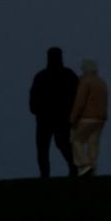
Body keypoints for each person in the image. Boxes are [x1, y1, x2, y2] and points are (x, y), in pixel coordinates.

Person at [29, 46, 79, 178]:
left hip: (59, 119)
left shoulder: (65, 76)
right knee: (44, 148)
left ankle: (72, 168)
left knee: (60, 144)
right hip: (47, 119)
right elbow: (33, 101)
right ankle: (46, 175)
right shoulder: (44, 77)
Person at [70, 58, 108, 176]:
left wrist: (73, 118)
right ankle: (92, 168)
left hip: (87, 117)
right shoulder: (102, 82)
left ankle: (85, 165)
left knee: (76, 140)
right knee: (93, 143)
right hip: (100, 118)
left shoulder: (85, 82)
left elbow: (80, 102)